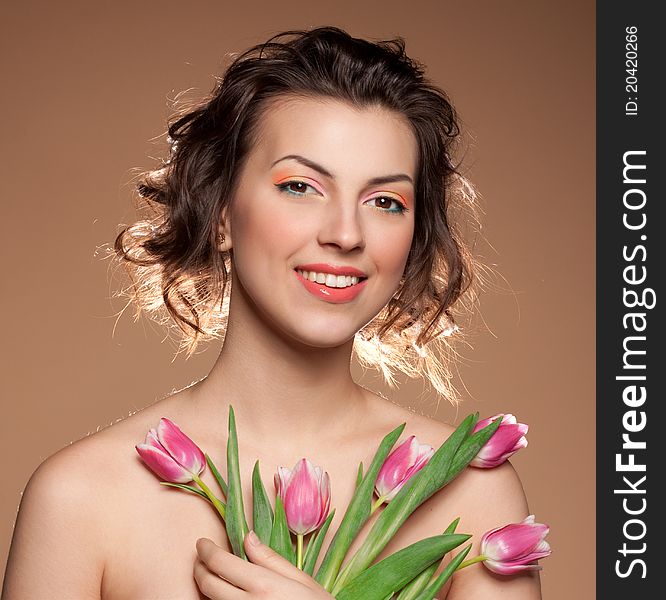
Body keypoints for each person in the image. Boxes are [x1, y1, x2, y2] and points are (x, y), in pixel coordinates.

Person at [2, 26, 541, 599]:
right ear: (221, 214)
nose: (345, 234)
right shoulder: (82, 498)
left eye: (385, 202)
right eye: (300, 186)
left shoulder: (473, 496)